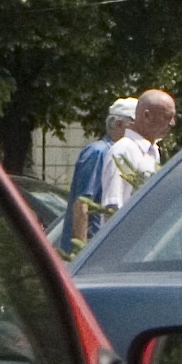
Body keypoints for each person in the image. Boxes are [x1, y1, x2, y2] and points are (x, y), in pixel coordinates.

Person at [65, 98, 135, 252]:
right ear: (118, 125)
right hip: (93, 249)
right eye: (134, 125)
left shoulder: (124, 156)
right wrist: (81, 251)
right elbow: (82, 203)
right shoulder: (98, 152)